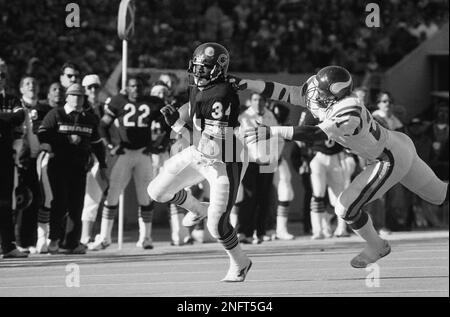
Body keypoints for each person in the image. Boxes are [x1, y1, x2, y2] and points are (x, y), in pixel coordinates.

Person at [233, 65, 449, 268]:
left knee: (345, 207)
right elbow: (287, 92)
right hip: (395, 145)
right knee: (441, 195)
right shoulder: (318, 90)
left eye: (323, 92)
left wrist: (273, 131)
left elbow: (315, 134)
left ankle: (377, 245)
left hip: (389, 158)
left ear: (336, 95)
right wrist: (249, 83)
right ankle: (376, 244)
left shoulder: (349, 109)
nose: (316, 94)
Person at [148, 42, 252, 282]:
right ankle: (197, 208)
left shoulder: (223, 94)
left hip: (225, 158)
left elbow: (212, 146)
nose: (198, 72)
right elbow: (195, 107)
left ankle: (240, 262)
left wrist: (176, 124)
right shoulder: (199, 86)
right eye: (197, 67)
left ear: (218, 69)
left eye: (205, 68)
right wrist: (182, 112)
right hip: (199, 150)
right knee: (156, 191)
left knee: (216, 227)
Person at [89, 76, 165, 251]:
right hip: (124, 152)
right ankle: (105, 237)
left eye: (139, 85)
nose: (136, 88)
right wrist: (111, 145)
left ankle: (146, 237)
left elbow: (166, 125)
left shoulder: (153, 103)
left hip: (143, 153)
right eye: (133, 86)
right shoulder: (118, 101)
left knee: (145, 196)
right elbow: (102, 126)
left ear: (143, 87)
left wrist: (158, 144)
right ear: (127, 88)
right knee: (112, 193)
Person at [38, 83, 108, 254]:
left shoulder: (89, 118)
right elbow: (43, 134)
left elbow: (97, 145)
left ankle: (71, 243)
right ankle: (54, 239)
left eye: (81, 96)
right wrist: (66, 140)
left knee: (77, 205)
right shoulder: (56, 114)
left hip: (79, 167)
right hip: (58, 165)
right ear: (67, 97)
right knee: (59, 202)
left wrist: (103, 166)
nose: (77, 99)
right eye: (74, 95)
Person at [233, 93, 278, 244]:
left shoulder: (270, 116)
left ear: (265, 101)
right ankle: (243, 232)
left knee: (264, 199)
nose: (258, 102)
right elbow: (237, 140)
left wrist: (274, 157)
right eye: (255, 100)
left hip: (268, 163)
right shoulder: (244, 117)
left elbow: (278, 138)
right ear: (250, 101)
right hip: (250, 163)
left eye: (261, 99)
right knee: (249, 199)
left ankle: (261, 232)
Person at [0, 58, 28, 258]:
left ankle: (8, 246)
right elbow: (12, 120)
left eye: (2, 75)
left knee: (5, 201)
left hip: (5, 155)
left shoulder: (12, 100)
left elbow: (19, 117)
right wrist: (6, 120)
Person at [80, 74, 109, 245]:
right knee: (81, 197)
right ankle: (79, 236)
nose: (93, 90)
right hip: (85, 156)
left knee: (95, 196)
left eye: (95, 87)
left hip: (101, 157)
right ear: (84, 90)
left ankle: (87, 236)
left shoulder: (105, 107)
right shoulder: (81, 108)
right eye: (89, 87)